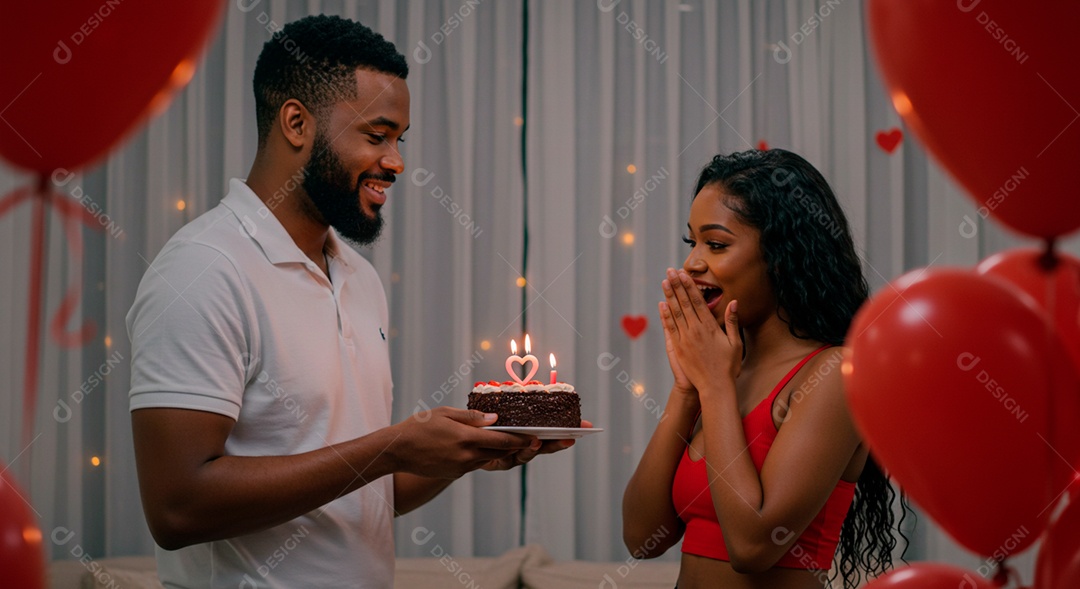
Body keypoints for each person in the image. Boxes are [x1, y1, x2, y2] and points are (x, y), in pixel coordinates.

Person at [127, 15, 582, 588]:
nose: (396, 162)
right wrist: (392, 446)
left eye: (400, 139)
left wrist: (466, 453)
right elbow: (177, 507)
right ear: (296, 123)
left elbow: (362, 493)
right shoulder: (202, 270)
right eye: (377, 135)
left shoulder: (358, 277)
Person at [622, 149, 906, 589]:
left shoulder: (833, 373)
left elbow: (753, 546)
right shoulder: (727, 367)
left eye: (715, 244)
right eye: (691, 243)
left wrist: (715, 387)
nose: (693, 263)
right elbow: (642, 539)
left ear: (782, 255)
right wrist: (687, 391)